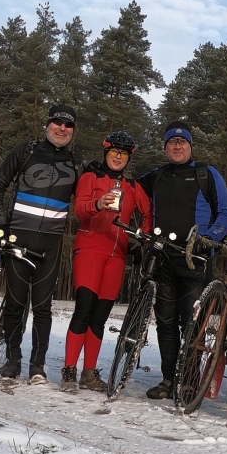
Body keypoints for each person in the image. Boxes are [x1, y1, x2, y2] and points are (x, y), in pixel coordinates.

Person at [135, 121, 227, 399]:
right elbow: (129, 189)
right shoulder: (156, 175)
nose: (177, 146)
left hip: (195, 259)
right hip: (163, 258)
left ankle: (188, 381)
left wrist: (210, 238)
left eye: (182, 142)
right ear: (165, 146)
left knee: (192, 323)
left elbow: (226, 213)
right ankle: (169, 379)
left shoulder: (206, 173)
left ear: (190, 146)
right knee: (165, 322)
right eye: (172, 142)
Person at [0, 104, 82, 384]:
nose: (62, 128)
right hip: (18, 238)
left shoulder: (76, 163)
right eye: (57, 122)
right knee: (15, 304)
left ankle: (37, 366)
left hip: (51, 243)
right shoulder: (25, 151)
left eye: (68, 125)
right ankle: (12, 360)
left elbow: (86, 201)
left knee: (42, 307)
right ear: (48, 124)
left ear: (73, 131)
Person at [61, 130, 152, 393]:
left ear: (129, 158)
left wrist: (141, 240)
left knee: (100, 316)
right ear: (106, 152)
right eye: (114, 152)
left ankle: (89, 372)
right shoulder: (91, 177)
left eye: (123, 154)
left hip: (117, 256)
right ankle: (69, 370)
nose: (118, 157)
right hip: (90, 249)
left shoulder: (133, 187)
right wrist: (98, 203)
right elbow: (80, 209)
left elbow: (149, 214)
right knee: (84, 310)